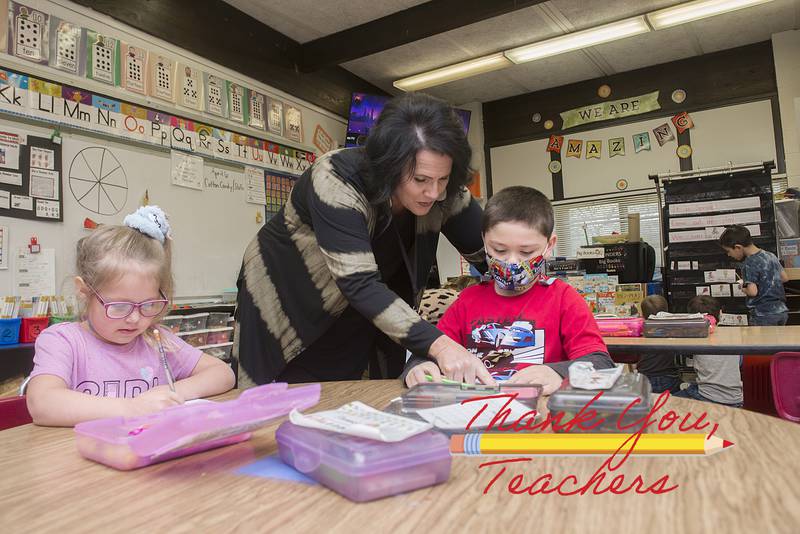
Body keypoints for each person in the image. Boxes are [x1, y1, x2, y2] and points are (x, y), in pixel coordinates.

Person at [234, 93, 491, 386]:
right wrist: (442, 346)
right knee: (286, 401)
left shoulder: (445, 189)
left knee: (367, 397)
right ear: (391, 166)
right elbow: (359, 283)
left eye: (442, 180)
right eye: (420, 180)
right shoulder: (336, 177)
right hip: (291, 305)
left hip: (367, 312)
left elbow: (495, 251)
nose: (433, 193)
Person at [26, 206, 235, 426]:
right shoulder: (63, 341)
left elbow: (223, 373)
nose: (135, 319)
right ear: (84, 291)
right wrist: (132, 408)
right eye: (119, 307)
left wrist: (171, 391)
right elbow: (42, 403)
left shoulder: (156, 339)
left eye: (149, 304)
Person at [402, 186, 614, 394]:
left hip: (538, 414)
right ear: (484, 242)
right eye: (499, 250)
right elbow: (429, 352)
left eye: (526, 251)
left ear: (549, 246)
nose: (512, 262)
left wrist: (557, 373)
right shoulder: (468, 300)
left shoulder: (563, 299)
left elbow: (601, 363)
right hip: (474, 410)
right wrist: (418, 367)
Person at [674, 296, 743, 407]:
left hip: (706, 397)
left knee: (666, 402)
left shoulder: (696, 338)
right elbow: (739, 362)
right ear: (720, 313)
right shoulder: (734, 336)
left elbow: (686, 354)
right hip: (736, 399)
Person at [719, 224, 788, 326]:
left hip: (762, 314)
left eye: (728, 251)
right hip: (781, 311)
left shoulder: (748, 264)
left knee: (762, 341)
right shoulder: (770, 255)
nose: (729, 255)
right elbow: (784, 278)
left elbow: (752, 291)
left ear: (738, 247)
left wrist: (743, 286)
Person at [636, 295, 681, 393]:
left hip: (645, 378)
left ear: (643, 315)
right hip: (669, 377)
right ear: (667, 311)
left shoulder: (639, 332)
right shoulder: (673, 330)